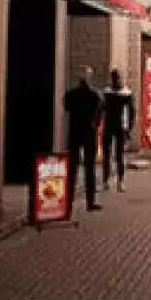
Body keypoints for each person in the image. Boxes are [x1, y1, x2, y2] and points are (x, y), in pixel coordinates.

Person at [62, 67, 103, 212]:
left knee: (73, 168)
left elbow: (66, 108)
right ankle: (90, 202)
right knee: (89, 168)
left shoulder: (70, 95)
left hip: (75, 132)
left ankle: (69, 201)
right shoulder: (95, 95)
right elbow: (99, 112)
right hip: (88, 132)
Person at [101, 69, 133, 193]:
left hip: (120, 126)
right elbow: (101, 109)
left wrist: (129, 128)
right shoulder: (107, 92)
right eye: (115, 78)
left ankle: (120, 181)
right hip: (109, 125)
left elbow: (131, 112)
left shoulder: (126, 93)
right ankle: (106, 181)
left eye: (118, 78)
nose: (117, 80)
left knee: (119, 154)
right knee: (107, 154)